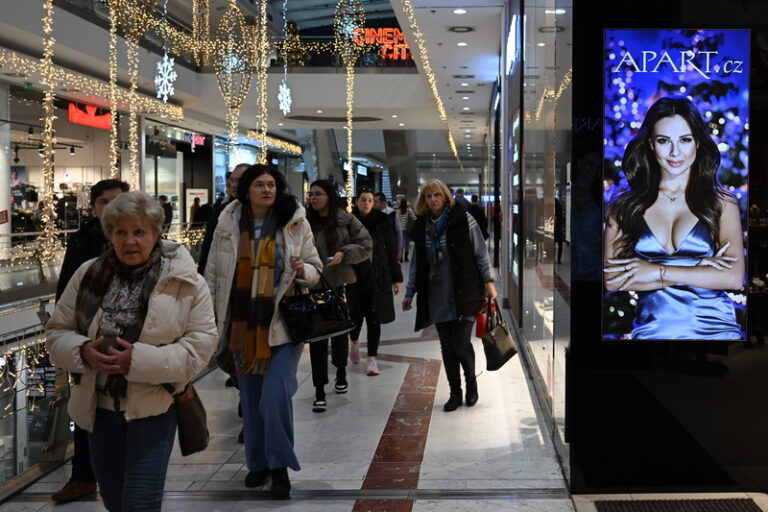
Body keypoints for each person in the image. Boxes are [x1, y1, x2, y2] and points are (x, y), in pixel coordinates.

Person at [45, 191, 218, 511]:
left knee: (140, 502)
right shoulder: (88, 274)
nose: (130, 241)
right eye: (121, 232)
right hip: (99, 409)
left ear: (156, 233)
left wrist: (135, 361)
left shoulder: (185, 281)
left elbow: (200, 348)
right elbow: (57, 332)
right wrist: (82, 350)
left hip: (154, 407)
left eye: (139, 231)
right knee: (114, 501)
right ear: (110, 234)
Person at [204, 164, 322, 498]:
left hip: (282, 323)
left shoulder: (294, 222)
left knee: (274, 394)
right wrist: (210, 319)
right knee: (251, 397)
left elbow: (316, 268)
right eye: (259, 184)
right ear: (246, 190)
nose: (267, 190)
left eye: (271, 184)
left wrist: (303, 270)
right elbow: (213, 275)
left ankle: (279, 465)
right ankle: (257, 463)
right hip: (242, 324)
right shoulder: (227, 223)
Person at [603, 96, 744, 340]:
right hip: (650, 332)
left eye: (685, 140)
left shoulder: (722, 202)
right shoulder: (625, 204)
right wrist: (697, 267)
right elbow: (612, 280)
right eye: (663, 140)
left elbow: (733, 278)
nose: (675, 152)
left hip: (717, 332)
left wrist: (656, 271)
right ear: (650, 143)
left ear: (697, 142)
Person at [50, 179, 128, 504]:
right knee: (85, 410)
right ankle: (83, 477)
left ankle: (126, 479)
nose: (110, 207)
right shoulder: (82, 241)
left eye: (117, 200)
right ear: (94, 207)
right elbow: (66, 294)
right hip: (88, 343)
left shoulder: (142, 239)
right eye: (103, 202)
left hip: (132, 346)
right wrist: (73, 343)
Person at [402, 179, 496, 412]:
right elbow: (417, 263)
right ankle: (455, 392)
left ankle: (471, 383)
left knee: (460, 343)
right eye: (428, 196)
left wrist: (489, 282)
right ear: (423, 200)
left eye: (437, 195)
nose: (433, 200)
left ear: (445, 197)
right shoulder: (422, 225)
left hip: (465, 291)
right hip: (436, 295)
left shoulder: (463, 219)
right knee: (447, 346)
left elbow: (480, 252)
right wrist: (410, 292)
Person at [306, 179, 372, 412]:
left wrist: (344, 254)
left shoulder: (346, 219)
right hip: (312, 285)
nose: (313, 198)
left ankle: (341, 373)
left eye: (318, 193)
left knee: (340, 334)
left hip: (340, 284)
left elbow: (366, 244)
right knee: (317, 339)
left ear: (330, 196)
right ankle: (319, 389)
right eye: (311, 194)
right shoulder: (304, 221)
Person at [350, 189, 403, 375]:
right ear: (357, 202)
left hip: (378, 277)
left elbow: (391, 251)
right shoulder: (349, 222)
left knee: (375, 319)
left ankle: (372, 359)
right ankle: (354, 342)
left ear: (374, 203)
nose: (366, 203)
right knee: (354, 318)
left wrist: (396, 278)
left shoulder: (383, 222)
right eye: (363, 200)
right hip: (354, 278)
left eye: (370, 200)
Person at [198, 163, 249, 275]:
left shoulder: (264, 211)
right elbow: (208, 246)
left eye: (239, 180)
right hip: (226, 276)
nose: (234, 185)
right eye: (232, 180)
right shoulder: (222, 211)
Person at [373, 192, 403, 261]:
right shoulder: (373, 214)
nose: (373, 204)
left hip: (391, 247)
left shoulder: (392, 214)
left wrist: (400, 249)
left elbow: (399, 231)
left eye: (376, 202)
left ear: (383, 203)